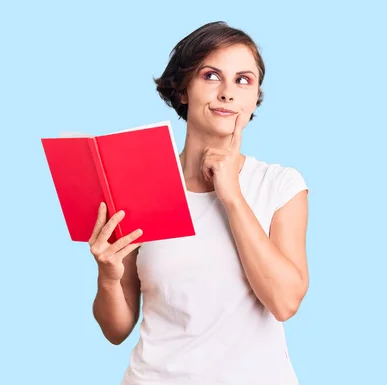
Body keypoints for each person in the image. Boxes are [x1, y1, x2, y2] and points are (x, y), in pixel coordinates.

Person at [89, 21, 309, 385]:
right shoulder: (141, 186)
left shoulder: (280, 185)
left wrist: (232, 197)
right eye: (211, 76)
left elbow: (284, 302)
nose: (227, 93)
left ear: (255, 97)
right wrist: (109, 278)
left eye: (243, 80)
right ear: (183, 90)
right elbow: (116, 330)